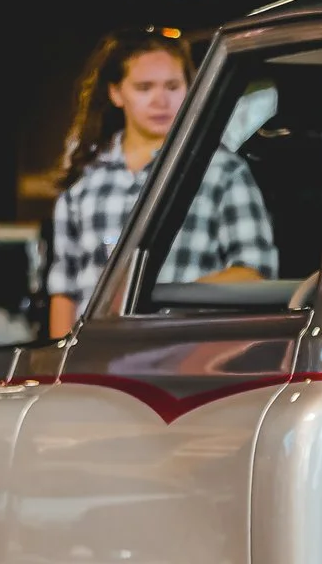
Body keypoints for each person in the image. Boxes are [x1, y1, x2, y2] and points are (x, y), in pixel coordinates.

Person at [46, 28, 276, 339]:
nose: (160, 100)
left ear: (189, 89)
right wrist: (63, 365)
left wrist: (162, 300)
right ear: (116, 93)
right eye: (144, 88)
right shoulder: (83, 180)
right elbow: (64, 291)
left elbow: (255, 271)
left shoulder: (222, 170)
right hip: (94, 359)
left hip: (186, 352)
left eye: (172, 86)